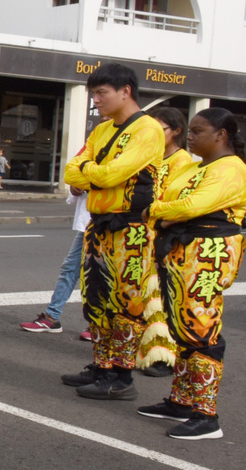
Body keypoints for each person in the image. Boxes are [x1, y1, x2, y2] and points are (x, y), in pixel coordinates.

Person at [137, 108, 246, 440]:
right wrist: (166, 212)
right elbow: (169, 199)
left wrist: (158, 212)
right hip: (182, 253)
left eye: (198, 131)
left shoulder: (232, 168)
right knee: (182, 328)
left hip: (208, 255)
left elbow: (190, 206)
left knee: (201, 331)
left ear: (221, 135)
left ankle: (206, 415)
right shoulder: (196, 167)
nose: (191, 137)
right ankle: (182, 402)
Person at [62, 63, 164, 400]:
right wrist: (96, 172)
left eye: (101, 93)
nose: (96, 100)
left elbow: (109, 175)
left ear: (125, 91)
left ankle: (121, 377)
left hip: (131, 228)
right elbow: (70, 172)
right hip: (99, 225)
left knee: (126, 302)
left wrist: (90, 172)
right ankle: (102, 365)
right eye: (94, 93)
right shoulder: (102, 130)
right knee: (95, 299)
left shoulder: (148, 129)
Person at [137, 107, 192, 378]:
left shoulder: (182, 162)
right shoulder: (153, 157)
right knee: (145, 297)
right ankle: (147, 349)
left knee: (162, 298)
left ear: (176, 131)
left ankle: (165, 356)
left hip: (164, 237)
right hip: (143, 235)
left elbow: (178, 203)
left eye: (161, 129)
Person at [19, 185, 92, 342]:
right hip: (89, 222)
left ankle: (99, 325)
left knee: (99, 274)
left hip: (110, 221)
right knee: (70, 268)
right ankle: (51, 317)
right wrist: (75, 189)